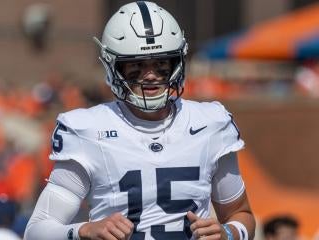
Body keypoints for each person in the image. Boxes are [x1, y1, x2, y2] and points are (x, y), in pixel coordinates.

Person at [24, 1, 256, 239]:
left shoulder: (210, 123)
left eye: (161, 63)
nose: (151, 75)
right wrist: (84, 230)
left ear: (177, 62)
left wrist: (229, 233)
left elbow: (240, 214)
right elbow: (36, 230)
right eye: (136, 65)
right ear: (114, 67)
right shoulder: (88, 130)